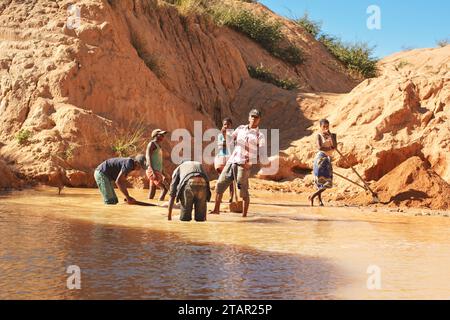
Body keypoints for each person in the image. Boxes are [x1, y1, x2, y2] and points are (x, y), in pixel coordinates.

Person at [210, 109, 265, 217]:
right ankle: (216, 209)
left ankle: (244, 216)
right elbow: (230, 139)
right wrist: (224, 132)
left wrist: (250, 163)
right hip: (232, 161)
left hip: (244, 164)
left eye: (256, 117)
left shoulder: (260, 135)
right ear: (249, 117)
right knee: (220, 184)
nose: (254, 119)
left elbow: (261, 152)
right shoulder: (240, 128)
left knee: (243, 190)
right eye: (252, 116)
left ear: (259, 120)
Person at [309, 119, 337, 206]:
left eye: (327, 126)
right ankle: (319, 200)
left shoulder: (333, 135)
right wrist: (330, 148)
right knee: (321, 181)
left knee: (328, 181)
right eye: (323, 126)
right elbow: (320, 147)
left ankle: (312, 196)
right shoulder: (319, 135)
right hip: (320, 159)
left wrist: (330, 136)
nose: (325, 128)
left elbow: (335, 146)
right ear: (320, 127)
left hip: (328, 159)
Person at [214, 117, 234, 202]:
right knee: (221, 179)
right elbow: (220, 146)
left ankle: (231, 197)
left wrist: (226, 138)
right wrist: (224, 137)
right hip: (222, 157)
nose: (226, 126)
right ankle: (219, 197)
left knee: (231, 180)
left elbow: (231, 145)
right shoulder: (220, 135)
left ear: (231, 125)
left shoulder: (233, 134)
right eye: (224, 124)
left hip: (230, 158)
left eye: (228, 124)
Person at [146, 129, 169, 201]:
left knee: (152, 190)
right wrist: (153, 171)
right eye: (161, 135)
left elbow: (159, 161)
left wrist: (163, 173)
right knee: (164, 189)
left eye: (163, 135)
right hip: (153, 170)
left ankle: (149, 204)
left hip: (157, 170)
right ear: (155, 136)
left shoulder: (159, 146)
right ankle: (160, 206)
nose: (163, 136)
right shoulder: (152, 144)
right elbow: (148, 157)